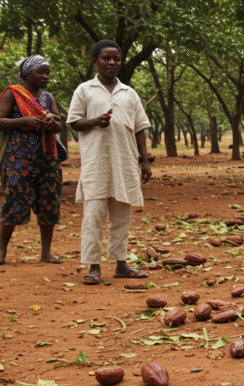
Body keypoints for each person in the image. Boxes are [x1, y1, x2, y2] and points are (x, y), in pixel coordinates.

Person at [66, 40, 152, 285]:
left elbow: (140, 128)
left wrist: (145, 161)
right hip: (96, 162)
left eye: (116, 59)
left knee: (121, 216)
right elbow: (73, 122)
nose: (112, 63)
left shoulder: (129, 93)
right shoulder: (85, 90)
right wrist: (95, 122)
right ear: (95, 61)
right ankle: (93, 266)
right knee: (93, 215)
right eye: (106, 58)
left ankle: (121, 265)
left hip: (124, 162)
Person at [0, 55, 64, 265]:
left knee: (49, 201)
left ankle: (46, 252)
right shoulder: (13, 93)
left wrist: (52, 122)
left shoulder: (48, 98)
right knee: (15, 198)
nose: (45, 76)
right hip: (19, 156)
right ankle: (1, 250)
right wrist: (26, 120)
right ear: (26, 73)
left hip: (48, 156)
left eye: (47, 72)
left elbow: (59, 125)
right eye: (40, 72)